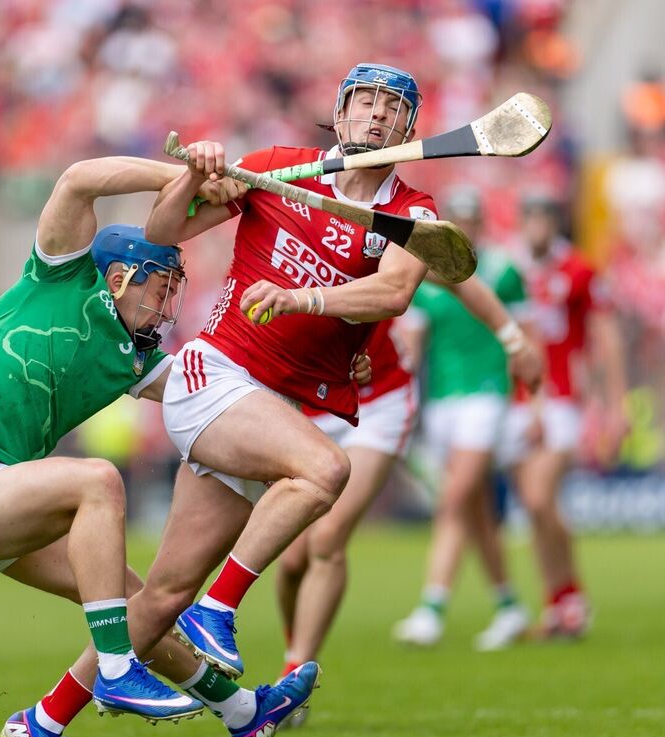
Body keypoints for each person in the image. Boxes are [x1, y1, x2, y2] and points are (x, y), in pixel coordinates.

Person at [0, 154, 321, 737]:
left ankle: (238, 712)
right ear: (122, 275)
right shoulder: (59, 275)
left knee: (138, 607)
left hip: (5, 495)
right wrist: (181, 179)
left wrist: (327, 369)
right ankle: (117, 669)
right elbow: (78, 179)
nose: (168, 307)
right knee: (97, 480)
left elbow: (218, 398)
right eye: (162, 289)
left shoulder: (136, 359)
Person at [136, 64, 540, 688]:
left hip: (299, 401)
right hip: (220, 373)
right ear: (340, 111)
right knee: (324, 475)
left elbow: (394, 292)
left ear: (410, 128)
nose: (377, 114)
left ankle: (56, 712)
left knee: (167, 591)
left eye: (392, 106)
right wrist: (195, 175)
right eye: (366, 101)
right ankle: (219, 615)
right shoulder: (277, 166)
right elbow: (161, 232)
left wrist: (305, 300)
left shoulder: (412, 212)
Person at [276, 187, 542, 698]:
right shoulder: (286, 247)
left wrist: (514, 342)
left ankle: (294, 676)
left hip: (381, 403)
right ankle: (297, 647)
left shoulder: (381, 244)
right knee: (291, 561)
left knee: (329, 539)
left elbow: (460, 282)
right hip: (311, 405)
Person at [390, 186, 534, 651]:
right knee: (475, 508)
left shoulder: (502, 270)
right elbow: (413, 346)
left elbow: (526, 335)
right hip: (442, 400)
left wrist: (534, 403)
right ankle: (509, 605)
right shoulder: (425, 275)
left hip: (487, 395)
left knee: (453, 498)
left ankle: (432, 607)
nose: (465, 227)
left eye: (471, 219)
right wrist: (400, 397)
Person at [502, 192, 628, 637]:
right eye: (530, 218)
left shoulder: (578, 270)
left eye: (544, 218)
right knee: (537, 508)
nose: (536, 227)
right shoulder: (507, 268)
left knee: (539, 496)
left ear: (555, 224)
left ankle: (571, 595)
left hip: (560, 398)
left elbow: (606, 339)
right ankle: (560, 602)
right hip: (514, 400)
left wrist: (616, 405)